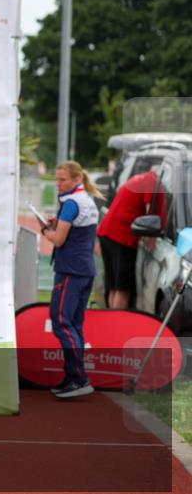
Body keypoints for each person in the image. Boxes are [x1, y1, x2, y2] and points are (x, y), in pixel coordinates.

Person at [42, 161, 101, 399]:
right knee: (74, 325)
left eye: (63, 179)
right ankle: (73, 376)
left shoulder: (71, 203)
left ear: (76, 179)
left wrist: (45, 230)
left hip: (71, 272)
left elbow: (58, 240)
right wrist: (57, 226)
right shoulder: (84, 199)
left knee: (61, 322)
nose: (58, 184)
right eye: (57, 179)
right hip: (84, 270)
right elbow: (75, 230)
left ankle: (79, 378)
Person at [96, 168, 163, 309]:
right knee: (122, 289)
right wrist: (151, 239)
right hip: (122, 237)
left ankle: (111, 324)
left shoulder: (139, 178)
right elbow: (151, 210)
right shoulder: (153, 182)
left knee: (114, 286)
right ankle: (119, 327)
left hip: (107, 233)